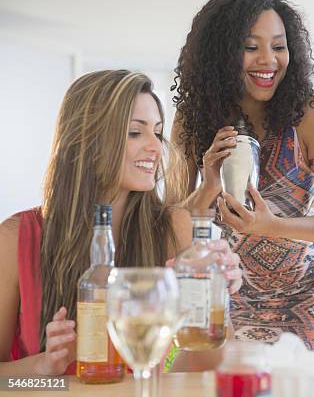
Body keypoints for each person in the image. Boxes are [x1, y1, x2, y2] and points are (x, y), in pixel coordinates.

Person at [0, 70, 242, 375]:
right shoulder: (14, 239)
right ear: (86, 139)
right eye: (134, 132)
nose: (156, 147)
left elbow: (208, 369)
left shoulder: (175, 228)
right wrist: (43, 368)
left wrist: (214, 300)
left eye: (157, 131)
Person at [167, 0, 314, 354]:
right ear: (220, 54)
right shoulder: (191, 122)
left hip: (308, 298)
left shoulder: (310, 111)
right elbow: (173, 227)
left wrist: (272, 226)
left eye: (278, 46)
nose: (269, 60)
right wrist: (207, 185)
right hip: (225, 297)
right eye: (251, 47)